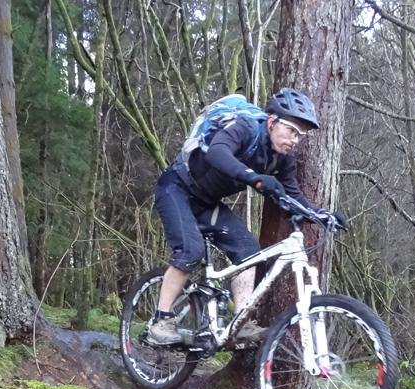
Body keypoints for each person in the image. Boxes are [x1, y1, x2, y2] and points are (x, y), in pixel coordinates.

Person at [146, 88, 346, 345]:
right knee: (189, 251)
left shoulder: (281, 161)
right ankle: (160, 321)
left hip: (207, 203)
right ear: (272, 121)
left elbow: (293, 198)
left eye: (299, 135)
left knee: (249, 253)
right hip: (177, 187)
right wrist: (254, 178)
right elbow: (217, 152)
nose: (295, 140)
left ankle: (240, 324)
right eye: (291, 131)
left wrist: (321, 215)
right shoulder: (245, 128)